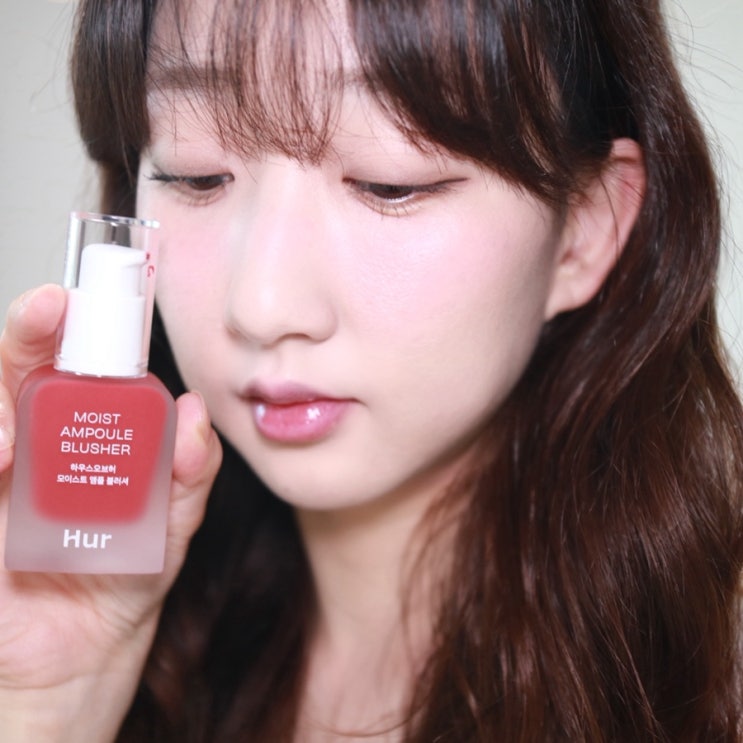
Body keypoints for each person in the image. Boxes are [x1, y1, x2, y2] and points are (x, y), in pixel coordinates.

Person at [0, 0, 741, 740]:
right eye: (197, 174)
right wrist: (52, 706)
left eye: (390, 183)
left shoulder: (711, 687)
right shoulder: (142, 641)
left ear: (583, 230)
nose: (262, 306)